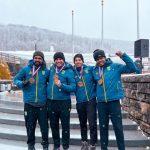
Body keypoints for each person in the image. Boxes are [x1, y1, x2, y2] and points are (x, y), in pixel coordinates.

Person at [92, 49, 138, 150]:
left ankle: (121, 148)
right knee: (103, 128)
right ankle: (104, 148)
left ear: (105, 57)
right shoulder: (94, 70)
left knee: (118, 127)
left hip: (114, 102)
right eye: (97, 59)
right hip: (101, 103)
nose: (100, 60)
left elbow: (132, 68)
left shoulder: (115, 67)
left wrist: (123, 55)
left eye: (101, 57)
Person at [14, 51, 49, 150]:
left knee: (44, 128)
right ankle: (31, 146)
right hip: (29, 104)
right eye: (36, 58)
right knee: (30, 128)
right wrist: (23, 83)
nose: (37, 60)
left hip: (42, 105)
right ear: (33, 59)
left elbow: (51, 84)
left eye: (39, 58)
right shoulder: (26, 69)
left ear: (42, 60)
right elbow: (16, 80)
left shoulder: (46, 71)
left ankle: (45, 146)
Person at [47, 52, 76, 150]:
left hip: (64, 102)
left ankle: (65, 146)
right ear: (54, 60)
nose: (58, 61)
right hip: (51, 102)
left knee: (65, 126)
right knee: (53, 125)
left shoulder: (69, 71)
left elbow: (73, 87)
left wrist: (61, 85)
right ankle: (56, 146)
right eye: (57, 59)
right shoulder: (51, 69)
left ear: (63, 60)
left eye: (60, 59)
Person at [73, 54, 97, 150]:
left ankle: (93, 143)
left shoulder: (89, 69)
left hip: (90, 100)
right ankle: (84, 142)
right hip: (80, 101)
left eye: (79, 60)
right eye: (76, 60)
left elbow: (98, 72)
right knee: (82, 123)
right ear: (74, 62)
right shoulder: (72, 72)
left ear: (82, 61)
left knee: (92, 123)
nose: (78, 62)